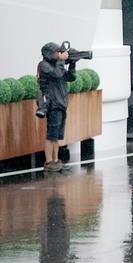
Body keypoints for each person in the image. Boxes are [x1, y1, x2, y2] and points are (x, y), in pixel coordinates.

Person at [38, 42, 76, 172]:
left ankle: (55, 161)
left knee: (57, 136)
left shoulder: (56, 66)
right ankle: (49, 162)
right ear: (49, 53)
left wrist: (72, 63)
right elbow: (57, 75)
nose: (58, 54)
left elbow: (70, 77)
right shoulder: (44, 65)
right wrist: (61, 60)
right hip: (53, 103)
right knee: (51, 135)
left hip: (61, 103)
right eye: (56, 52)